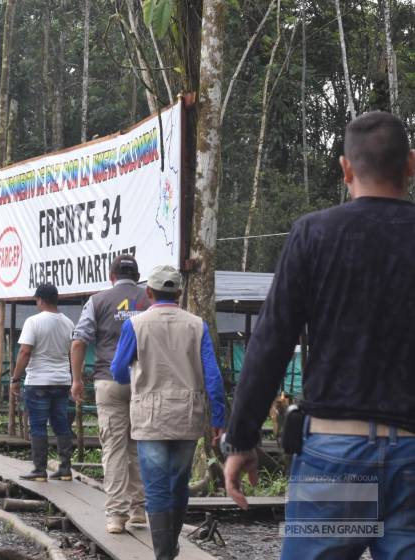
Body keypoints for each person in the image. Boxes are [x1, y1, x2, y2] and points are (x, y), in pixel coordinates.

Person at [223, 111, 415, 559]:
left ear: (346, 169)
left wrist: (242, 438)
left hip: (335, 462)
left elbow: (270, 342)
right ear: (410, 164)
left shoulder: (315, 234)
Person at [109, 265, 226, 560]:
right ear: (180, 293)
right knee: (178, 483)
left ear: (149, 292)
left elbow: (117, 371)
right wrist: (219, 419)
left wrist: (137, 376)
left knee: (156, 486)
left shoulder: (135, 325)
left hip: (150, 417)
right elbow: (213, 377)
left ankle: (163, 554)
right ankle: (170, 546)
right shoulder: (197, 325)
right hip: (188, 415)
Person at [70, 255, 149, 533]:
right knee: (139, 445)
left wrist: (77, 379)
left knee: (113, 448)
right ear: (138, 276)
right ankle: (139, 510)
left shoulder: (98, 300)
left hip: (109, 380)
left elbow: (79, 341)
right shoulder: (149, 299)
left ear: (111, 275)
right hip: (145, 382)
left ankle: (116, 515)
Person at [11, 283, 75, 482]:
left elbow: (25, 351)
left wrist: (15, 378)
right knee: (61, 424)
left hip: (38, 381)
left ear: (40, 299)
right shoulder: (68, 323)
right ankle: (65, 469)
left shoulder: (33, 322)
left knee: (37, 425)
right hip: (62, 380)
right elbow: (72, 351)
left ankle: (39, 469)